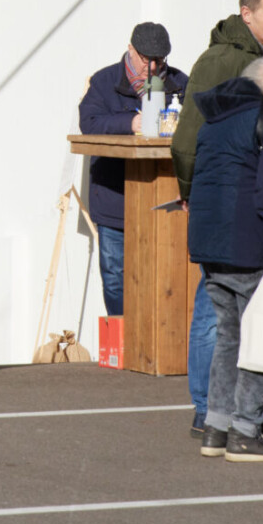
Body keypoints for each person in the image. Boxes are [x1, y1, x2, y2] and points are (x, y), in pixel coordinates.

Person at [171, 0, 263, 437]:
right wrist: (191, 192)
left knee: (235, 319)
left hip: (240, 206)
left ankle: (239, 411)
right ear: (247, 13)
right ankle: (208, 410)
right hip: (224, 206)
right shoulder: (221, 60)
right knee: (215, 316)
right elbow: (188, 136)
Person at [186, 51, 263, 463]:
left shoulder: (216, 118)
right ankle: (245, 431)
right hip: (248, 244)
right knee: (262, 337)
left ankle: (216, 428)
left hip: (210, 244)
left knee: (229, 337)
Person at [77, 22, 188, 317]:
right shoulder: (104, 81)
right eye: (145, 59)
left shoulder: (180, 83)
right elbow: (89, 123)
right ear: (130, 50)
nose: (152, 68)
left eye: (159, 60)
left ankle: (153, 336)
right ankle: (122, 334)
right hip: (114, 198)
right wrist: (130, 123)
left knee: (162, 277)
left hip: (164, 201)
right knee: (115, 278)